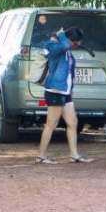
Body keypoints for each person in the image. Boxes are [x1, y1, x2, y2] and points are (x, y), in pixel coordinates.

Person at [36, 27, 93, 164]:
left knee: (72, 122)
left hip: (65, 92)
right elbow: (65, 45)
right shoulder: (53, 46)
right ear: (67, 39)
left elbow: (70, 71)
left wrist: (71, 88)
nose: (75, 45)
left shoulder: (67, 50)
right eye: (74, 43)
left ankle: (74, 154)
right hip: (55, 91)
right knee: (51, 124)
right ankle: (41, 156)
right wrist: (61, 34)